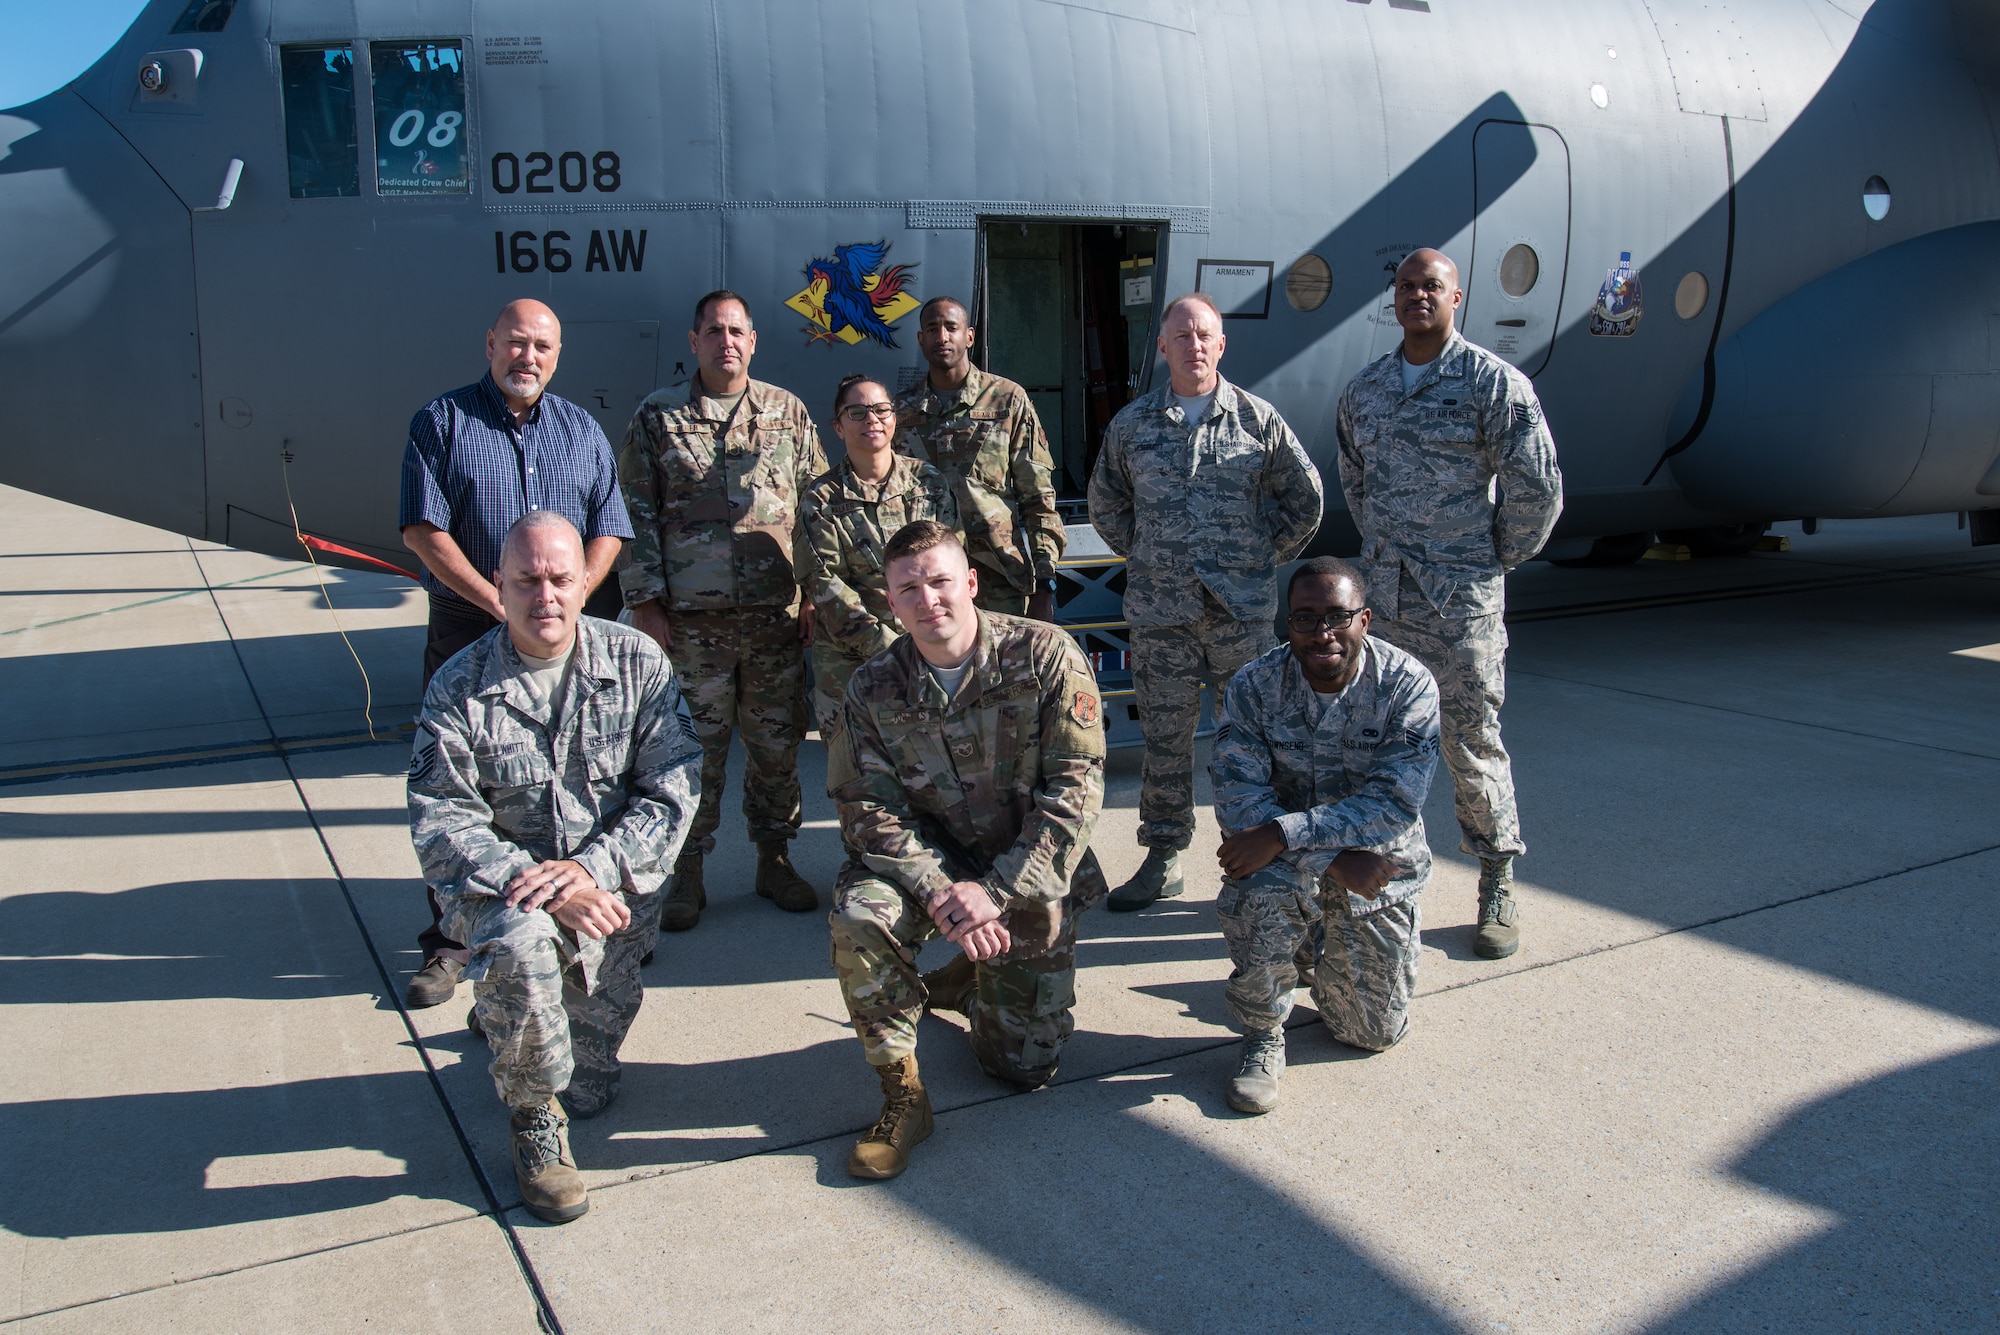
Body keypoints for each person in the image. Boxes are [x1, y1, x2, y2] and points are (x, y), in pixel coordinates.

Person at [407, 512, 701, 1222]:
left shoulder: (637, 663)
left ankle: (507, 1013)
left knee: (591, 1087)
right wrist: (536, 886)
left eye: (561, 578)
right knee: (522, 946)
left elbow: (675, 784)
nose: (546, 596)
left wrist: (591, 868)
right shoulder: (459, 686)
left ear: (585, 582)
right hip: (506, 895)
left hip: (609, 890)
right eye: (527, 580)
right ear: (499, 588)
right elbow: (441, 818)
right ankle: (534, 1122)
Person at [827, 521, 1107, 1179]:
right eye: (909, 588)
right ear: (890, 603)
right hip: (930, 876)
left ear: (971, 583)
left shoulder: (1044, 654)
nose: (929, 600)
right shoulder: (871, 688)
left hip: (1025, 875)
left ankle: (964, 983)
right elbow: (865, 809)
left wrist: (998, 891)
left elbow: (1076, 789)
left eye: (940, 580)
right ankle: (904, 1094)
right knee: (860, 912)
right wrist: (940, 890)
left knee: (1026, 1067)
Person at [397, 299, 633, 1009]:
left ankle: (549, 932)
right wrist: (500, 602)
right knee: (461, 786)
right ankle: (452, 941)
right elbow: (422, 529)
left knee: (548, 783)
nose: (526, 357)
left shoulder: (580, 431)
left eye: (541, 346)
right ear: (490, 343)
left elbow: (609, 526)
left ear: (557, 355)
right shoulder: (441, 423)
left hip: (558, 642)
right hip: (470, 631)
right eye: (515, 343)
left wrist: (571, 598)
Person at [1334, 248, 1563, 960]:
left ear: (1456, 297)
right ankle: (1377, 877)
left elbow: (1537, 489)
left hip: (1459, 603)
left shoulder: (1493, 385)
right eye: (1405, 286)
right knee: (1374, 745)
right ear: (1393, 299)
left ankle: (1495, 878)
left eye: (1431, 286)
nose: (1417, 297)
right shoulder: (1365, 391)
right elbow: (1356, 483)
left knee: (1471, 742)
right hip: (1387, 602)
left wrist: (1490, 558)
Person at [1087, 292, 1324, 911]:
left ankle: (1251, 853)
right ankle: (1163, 856)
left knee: (1249, 739)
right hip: (1161, 615)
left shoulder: (1256, 420)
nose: (1194, 345)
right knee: (1165, 739)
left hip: (1238, 613)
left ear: (1221, 345)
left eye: (1205, 335)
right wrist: (1149, 554)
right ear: (1162, 347)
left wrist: (1255, 558)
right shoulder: (1133, 425)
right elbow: (1107, 502)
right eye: (1182, 336)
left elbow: (1306, 499)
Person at [618, 290, 828, 930]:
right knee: (692, 750)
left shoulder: (786, 413)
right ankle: (687, 872)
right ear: (694, 341)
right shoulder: (658, 417)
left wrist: (817, 591)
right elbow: (633, 511)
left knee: (776, 745)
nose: (725, 341)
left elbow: (818, 506)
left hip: (775, 622)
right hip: (691, 626)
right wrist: (646, 602)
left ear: (754, 340)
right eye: (713, 330)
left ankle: (774, 857)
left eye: (736, 330)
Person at [1209, 556, 1440, 1114]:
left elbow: (1394, 805)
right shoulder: (1254, 684)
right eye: (1305, 619)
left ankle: (1317, 950)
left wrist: (1290, 834)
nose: (1322, 633)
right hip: (1292, 860)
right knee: (1257, 885)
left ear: (1365, 619)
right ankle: (1263, 1033)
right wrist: (1330, 857)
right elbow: (1238, 797)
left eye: (1337, 617)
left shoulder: (1407, 685)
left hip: (1376, 864)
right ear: (1286, 623)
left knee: (1370, 1033)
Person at [798, 373, 958, 740]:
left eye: (881, 410)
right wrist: (893, 650)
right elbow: (826, 586)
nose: (871, 419)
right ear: (838, 427)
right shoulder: (820, 500)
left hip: (930, 654)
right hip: (850, 666)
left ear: (894, 418)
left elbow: (952, 562)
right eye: (856, 412)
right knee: (857, 781)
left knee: (934, 776)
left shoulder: (928, 484)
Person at [893, 296, 1065, 620]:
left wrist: (1045, 585)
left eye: (951, 328)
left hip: (1002, 579)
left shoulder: (1007, 400)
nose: (942, 337)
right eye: (932, 329)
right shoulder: (900, 412)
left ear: (969, 336)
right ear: (920, 339)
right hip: (929, 585)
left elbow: (1038, 499)